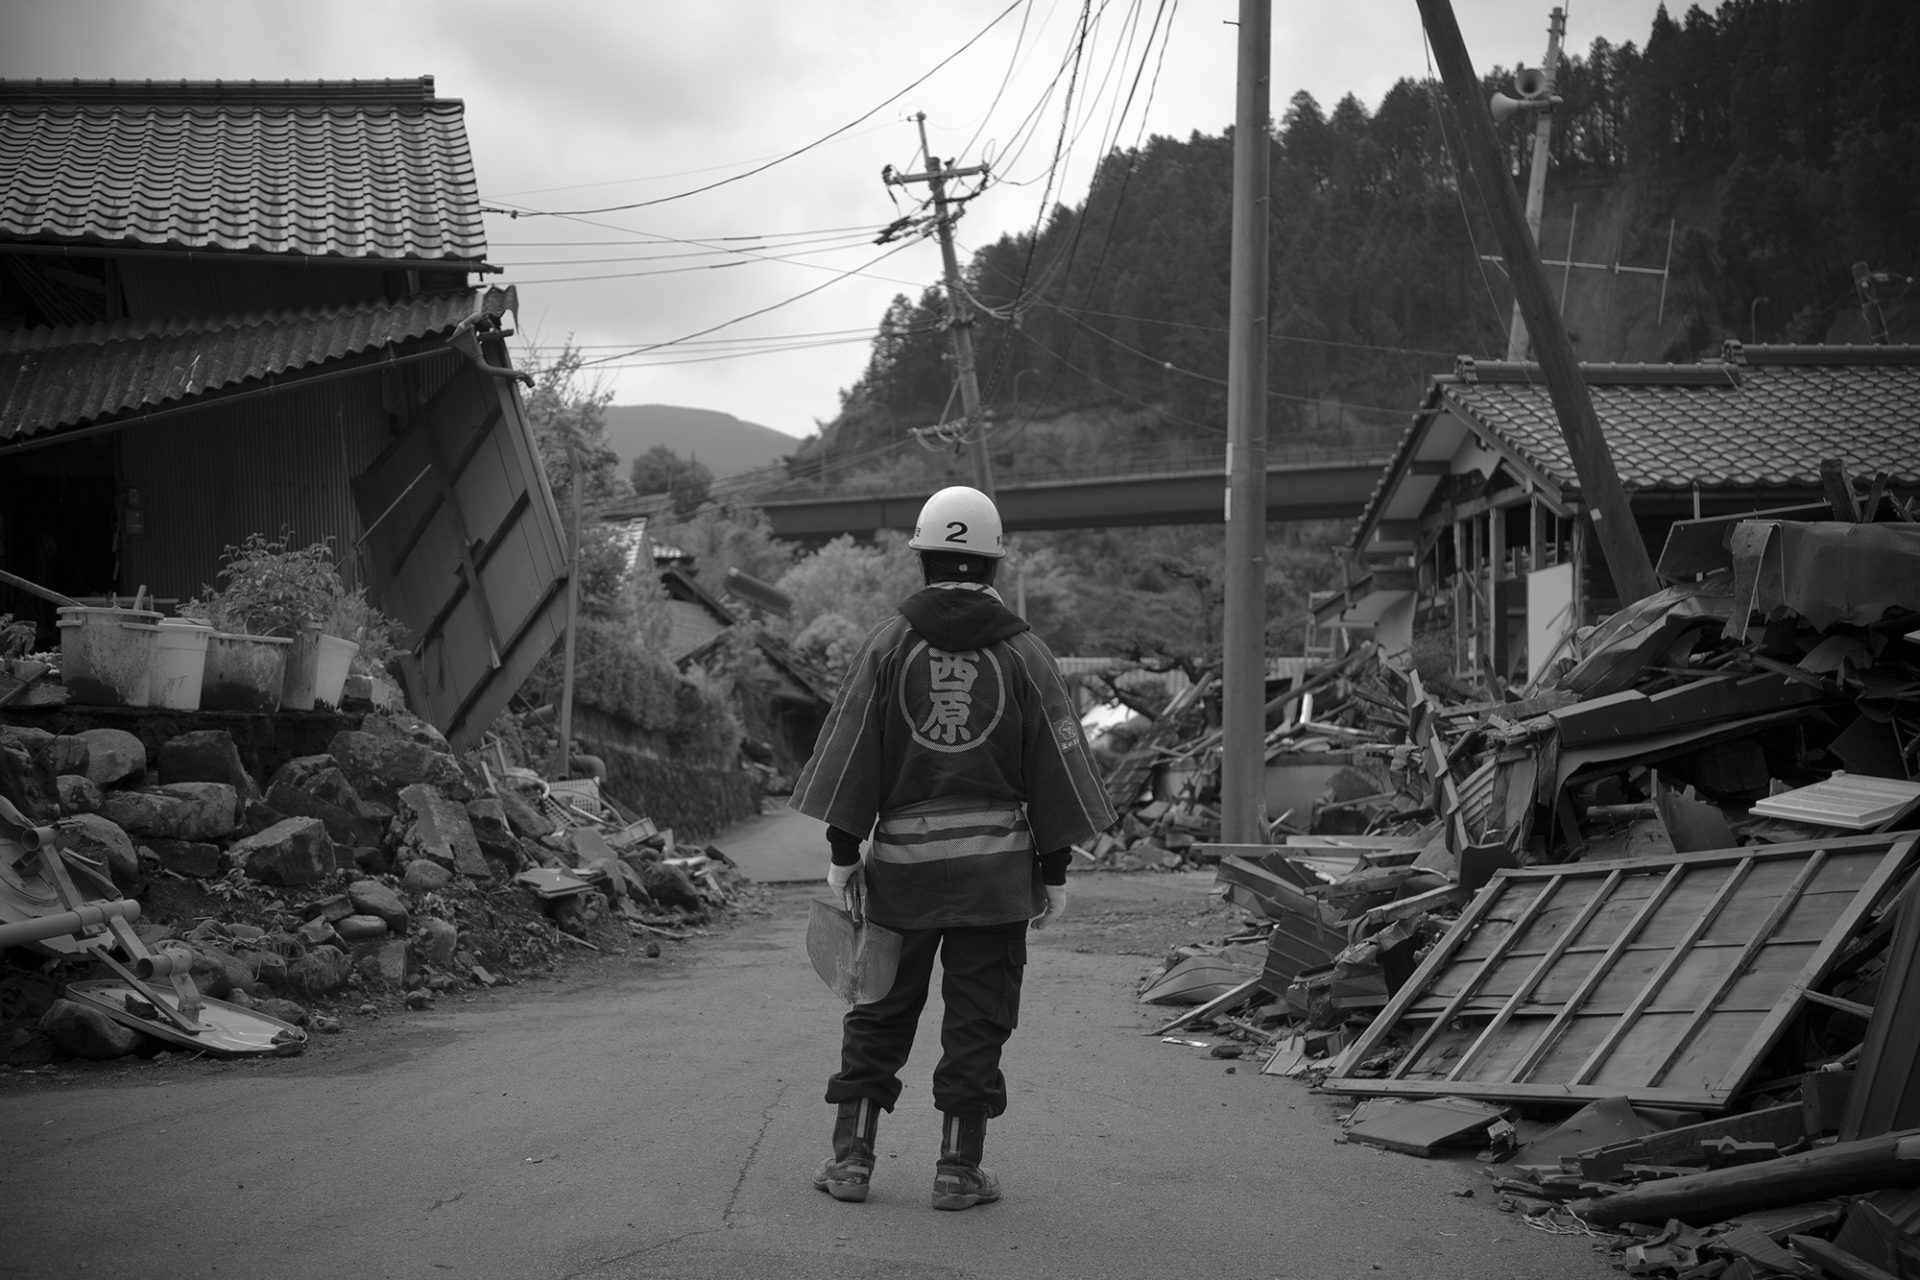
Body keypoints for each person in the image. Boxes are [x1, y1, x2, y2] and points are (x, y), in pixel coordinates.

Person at [789, 484, 1115, 1211]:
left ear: (924, 558)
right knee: (978, 1019)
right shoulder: (1026, 654)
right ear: (994, 565)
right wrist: (1054, 871)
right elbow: (1057, 765)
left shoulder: (886, 644)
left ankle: (851, 1162)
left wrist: (845, 855)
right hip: (995, 882)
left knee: (877, 1009)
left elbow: (850, 754)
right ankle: (957, 1172)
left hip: (900, 875)